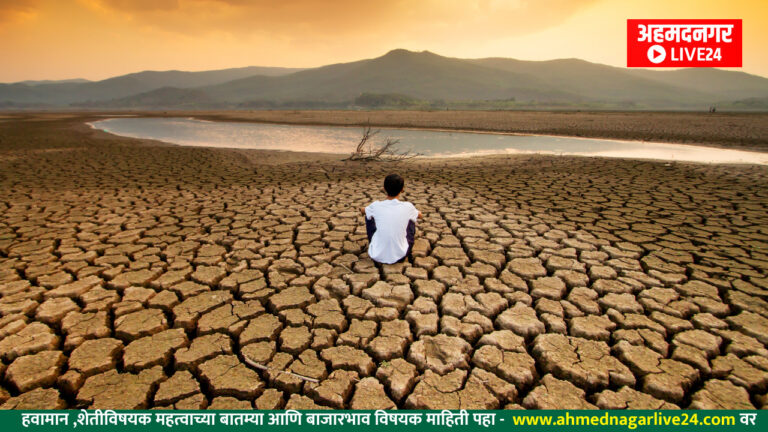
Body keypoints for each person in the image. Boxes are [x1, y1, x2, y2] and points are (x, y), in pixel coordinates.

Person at [359, 173, 422, 264]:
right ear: (402, 189)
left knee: (369, 215)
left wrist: (365, 209)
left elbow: (363, 210)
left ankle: (377, 242)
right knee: (411, 218)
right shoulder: (408, 207)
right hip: (401, 255)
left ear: (384, 189)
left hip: (376, 255)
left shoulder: (376, 206)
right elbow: (420, 215)